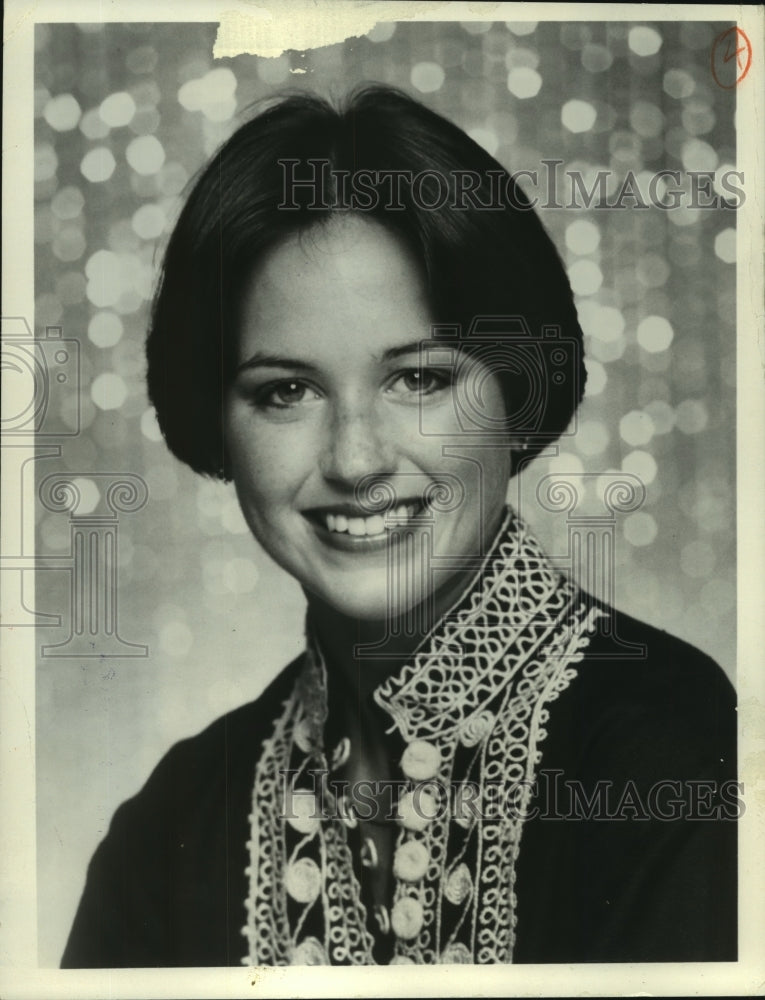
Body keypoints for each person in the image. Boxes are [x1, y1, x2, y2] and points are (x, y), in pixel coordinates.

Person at [61, 85, 737, 967]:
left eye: (417, 380)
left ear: (518, 394)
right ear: (216, 422)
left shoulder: (676, 753)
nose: (354, 459)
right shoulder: (170, 824)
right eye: (284, 391)